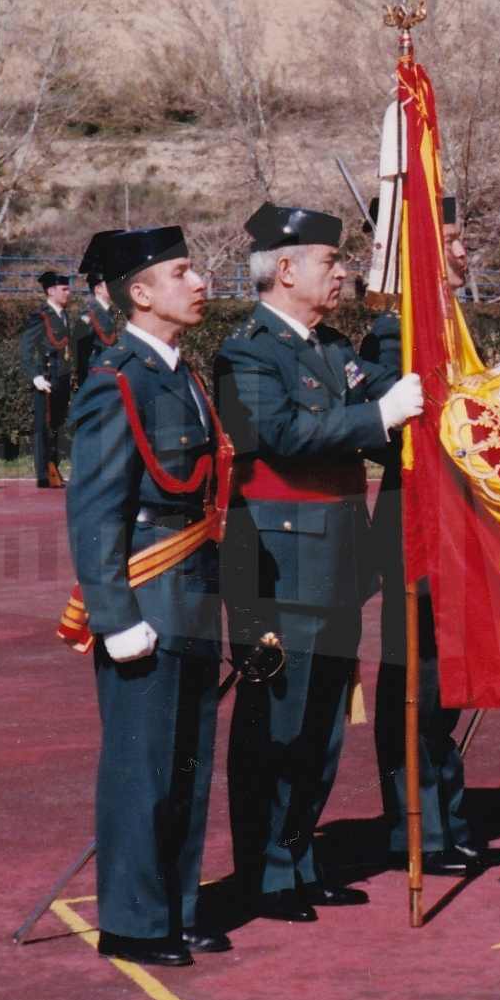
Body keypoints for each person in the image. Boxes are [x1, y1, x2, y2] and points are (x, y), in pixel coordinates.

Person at [216, 201, 420, 922]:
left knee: (323, 726)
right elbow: (276, 434)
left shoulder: (332, 350)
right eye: (331, 262)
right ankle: (265, 873)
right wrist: (380, 416)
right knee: (276, 724)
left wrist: (406, 339)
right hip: (278, 562)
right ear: (285, 268)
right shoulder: (248, 353)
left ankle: (301, 861)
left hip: (336, 561)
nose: (343, 273)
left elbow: (380, 414)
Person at [65, 225, 230, 968]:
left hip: (193, 583)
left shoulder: (180, 374)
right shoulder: (117, 379)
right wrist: (114, 617)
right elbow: (95, 511)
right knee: (142, 765)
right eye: (183, 273)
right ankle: (133, 922)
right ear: (141, 292)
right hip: (146, 591)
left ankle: (178, 906)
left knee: (188, 763)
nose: (199, 284)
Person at [361, 195, 485, 874]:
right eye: (452, 240)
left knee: (446, 683)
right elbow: (385, 429)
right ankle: (416, 824)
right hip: (416, 526)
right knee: (415, 681)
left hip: (457, 526)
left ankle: (446, 815)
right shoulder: (396, 332)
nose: (463, 253)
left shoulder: (452, 324)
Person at [20, 269, 73, 487]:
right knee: (44, 427)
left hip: (62, 377)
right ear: (51, 291)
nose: (68, 293)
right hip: (47, 377)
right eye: (64, 289)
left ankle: (54, 468)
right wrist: (35, 376)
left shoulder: (64, 315)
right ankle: (43, 474)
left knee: (58, 426)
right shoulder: (41, 316)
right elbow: (26, 348)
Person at [73, 233, 122, 387]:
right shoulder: (89, 314)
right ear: (98, 289)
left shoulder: (109, 312)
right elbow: (81, 353)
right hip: (95, 380)